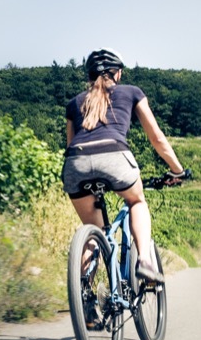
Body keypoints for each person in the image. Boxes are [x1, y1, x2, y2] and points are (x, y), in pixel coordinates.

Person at [62, 49, 186, 283]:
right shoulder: (132, 92)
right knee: (137, 201)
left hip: (75, 164)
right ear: (117, 73)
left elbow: (71, 146)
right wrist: (177, 170)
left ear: (89, 75)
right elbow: (157, 138)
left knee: (92, 230)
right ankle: (145, 262)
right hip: (115, 157)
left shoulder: (73, 104)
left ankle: (85, 299)